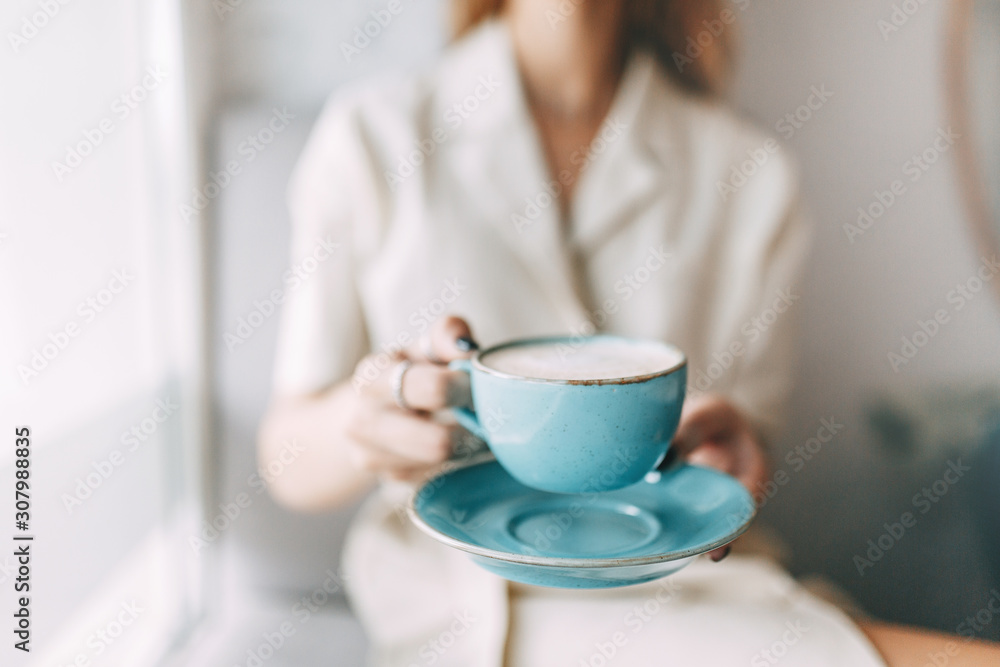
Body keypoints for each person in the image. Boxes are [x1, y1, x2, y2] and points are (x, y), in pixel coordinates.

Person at [258, 0, 1000, 664]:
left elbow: (740, 460)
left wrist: (733, 453)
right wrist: (363, 420)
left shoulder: (751, 175)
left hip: (690, 583)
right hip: (469, 595)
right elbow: (286, 458)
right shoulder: (373, 137)